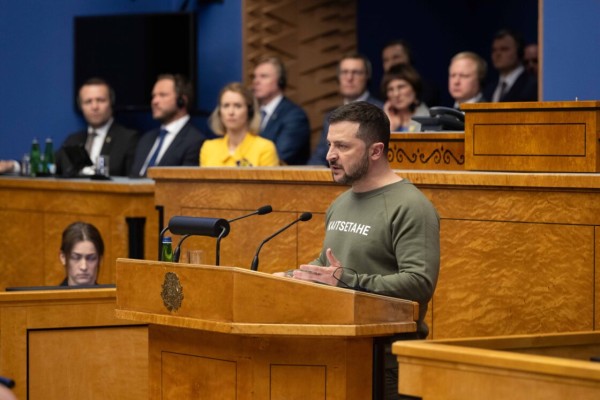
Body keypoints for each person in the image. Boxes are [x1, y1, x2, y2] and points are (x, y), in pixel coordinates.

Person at [284, 101, 440, 399]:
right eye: (330, 144)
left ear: (376, 151)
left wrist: (349, 280)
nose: (330, 155)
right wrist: (290, 276)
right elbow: (329, 265)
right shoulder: (340, 203)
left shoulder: (411, 206)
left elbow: (419, 283)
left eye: (342, 146)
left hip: (389, 366)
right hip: (339, 353)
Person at [0, 78, 139, 177]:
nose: (94, 107)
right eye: (88, 101)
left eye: (100, 100)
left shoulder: (128, 138)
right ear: (81, 106)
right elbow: (47, 165)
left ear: (111, 103)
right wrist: (12, 166)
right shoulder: (73, 139)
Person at [307, 53, 383, 166]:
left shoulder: (382, 111)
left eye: (356, 72)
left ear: (367, 76)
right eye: (344, 72)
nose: (349, 78)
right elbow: (319, 157)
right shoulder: (330, 116)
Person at [130, 74, 206, 177]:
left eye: (162, 95)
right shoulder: (146, 139)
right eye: (153, 96)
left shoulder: (195, 141)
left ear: (182, 101)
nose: (154, 101)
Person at [200, 82, 279, 167]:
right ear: (219, 112)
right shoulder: (209, 148)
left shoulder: (265, 148)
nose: (231, 112)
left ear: (249, 111)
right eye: (226, 106)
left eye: (238, 106)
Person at [252, 56, 311, 165]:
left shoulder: (295, 116)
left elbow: (278, 156)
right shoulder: (251, 114)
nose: (256, 81)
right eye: (255, 77)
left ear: (280, 81)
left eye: (263, 76)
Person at [381, 39, 441, 107]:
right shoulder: (379, 97)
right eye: (386, 60)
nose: (391, 63)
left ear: (409, 58)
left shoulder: (428, 91)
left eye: (396, 57)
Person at [483, 29, 537, 102]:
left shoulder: (532, 85)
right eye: (494, 50)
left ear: (519, 52)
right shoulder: (489, 90)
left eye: (504, 49)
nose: (497, 54)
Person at [381, 64, 429, 132]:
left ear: (414, 89)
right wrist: (390, 127)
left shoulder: (429, 120)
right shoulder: (380, 121)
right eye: (390, 89)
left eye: (401, 87)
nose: (396, 94)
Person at [59, 221, 104, 286]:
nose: (84, 267)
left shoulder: (113, 296)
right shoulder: (51, 296)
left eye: (91, 258)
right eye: (76, 258)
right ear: (63, 257)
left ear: (100, 259)